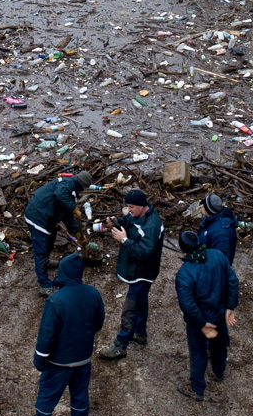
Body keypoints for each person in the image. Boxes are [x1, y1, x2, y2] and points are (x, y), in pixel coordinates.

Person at [27, 253, 105, 416]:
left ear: (63, 272)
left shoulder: (55, 300)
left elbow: (46, 336)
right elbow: (99, 322)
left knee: (48, 396)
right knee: (80, 395)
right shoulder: (93, 293)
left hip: (58, 362)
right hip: (83, 358)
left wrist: (39, 361)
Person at [98, 188, 164, 360]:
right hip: (138, 271)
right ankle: (140, 334)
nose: (129, 210)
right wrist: (117, 221)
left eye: (132, 207)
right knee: (141, 302)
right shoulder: (137, 215)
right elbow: (128, 220)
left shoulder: (152, 225)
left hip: (143, 272)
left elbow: (144, 252)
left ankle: (121, 345)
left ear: (143, 206)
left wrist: (124, 240)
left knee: (130, 308)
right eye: (127, 206)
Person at [175, 230, 239, 401]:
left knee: (198, 351)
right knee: (219, 343)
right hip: (218, 313)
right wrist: (229, 306)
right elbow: (232, 280)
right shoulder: (217, 255)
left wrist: (202, 325)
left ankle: (197, 388)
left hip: (200, 321)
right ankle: (219, 370)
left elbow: (188, 306)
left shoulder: (185, 273)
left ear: (184, 250)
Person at [24, 170, 93, 296]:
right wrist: (74, 208)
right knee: (41, 250)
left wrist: (77, 233)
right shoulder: (67, 184)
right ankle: (44, 285)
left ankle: (47, 261)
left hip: (47, 217)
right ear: (82, 185)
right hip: (38, 217)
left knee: (51, 238)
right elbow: (60, 195)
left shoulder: (70, 190)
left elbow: (66, 214)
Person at [197, 193, 238, 265]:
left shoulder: (221, 233)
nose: (203, 208)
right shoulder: (212, 217)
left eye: (204, 207)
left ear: (209, 210)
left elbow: (220, 259)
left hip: (213, 270)